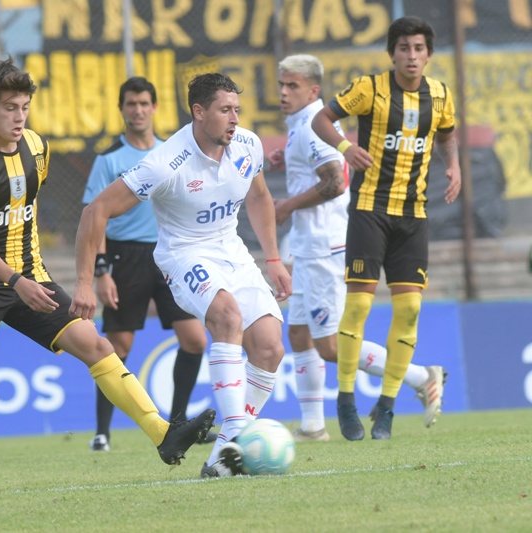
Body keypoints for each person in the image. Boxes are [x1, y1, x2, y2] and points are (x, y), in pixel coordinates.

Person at [0, 58, 215, 495]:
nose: (19, 117)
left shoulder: (37, 148)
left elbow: (24, 215)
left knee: (97, 346)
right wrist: (17, 282)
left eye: (24, 107)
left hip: (32, 277)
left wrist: (33, 278)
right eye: (9, 108)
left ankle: (162, 434)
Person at [71, 72, 292, 478]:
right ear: (199, 111)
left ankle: (222, 456)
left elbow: (260, 197)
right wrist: (86, 280)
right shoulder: (165, 162)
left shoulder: (247, 144)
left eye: (237, 110)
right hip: (183, 254)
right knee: (227, 316)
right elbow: (95, 211)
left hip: (232, 250)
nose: (234, 119)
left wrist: (273, 258)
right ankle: (238, 432)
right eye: (225, 110)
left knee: (270, 347)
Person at [268, 54, 447, 442]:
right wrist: (288, 161)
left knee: (331, 346)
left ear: (313, 90)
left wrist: (287, 205)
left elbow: (336, 182)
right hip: (308, 245)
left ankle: (421, 377)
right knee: (298, 333)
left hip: (325, 246)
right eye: (281, 84)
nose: (283, 92)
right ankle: (313, 426)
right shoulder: (301, 123)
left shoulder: (313, 127)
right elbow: (317, 169)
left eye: (292, 85)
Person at [311, 16, 461, 440]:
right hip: (369, 210)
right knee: (359, 306)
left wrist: (454, 166)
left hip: (413, 216)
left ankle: (388, 406)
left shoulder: (440, 95)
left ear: (428, 55)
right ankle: (345, 401)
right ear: (392, 53)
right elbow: (321, 119)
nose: (411, 56)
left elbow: (447, 134)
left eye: (418, 48)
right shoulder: (369, 89)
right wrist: (345, 147)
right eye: (404, 48)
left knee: (409, 310)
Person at [82, 77, 215, 452]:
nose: (138, 110)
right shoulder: (108, 159)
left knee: (195, 340)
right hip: (126, 258)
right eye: (131, 104)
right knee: (118, 346)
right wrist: (101, 272)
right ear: (122, 109)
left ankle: (178, 423)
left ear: (155, 107)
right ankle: (102, 434)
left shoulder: (171, 152)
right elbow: (94, 216)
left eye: (144, 103)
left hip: (170, 254)